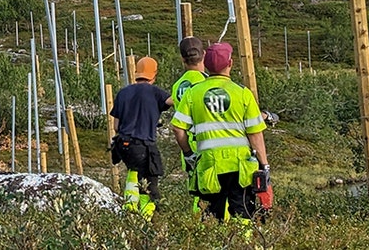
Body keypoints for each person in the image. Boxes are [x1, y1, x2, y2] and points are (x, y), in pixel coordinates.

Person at [170, 42, 270, 227]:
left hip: (209, 165)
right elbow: (255, 134)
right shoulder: (242, 93)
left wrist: (188, 153)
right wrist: (264, 165)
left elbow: (178, 128)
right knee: (242, 212)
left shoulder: (193, 93)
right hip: (240, 166)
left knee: (212, 214)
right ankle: (243, 245)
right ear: (230, 63)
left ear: (206, 63)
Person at [109, 56, 171, 218]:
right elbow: (173, 101)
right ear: (154, 74)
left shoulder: (123, 93)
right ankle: (146, 218)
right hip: (144, 145)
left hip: (123, 145)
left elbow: (116, 126)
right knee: (150, 183)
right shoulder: (155, 92)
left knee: (134, 171)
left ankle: (129, 207)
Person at [172, 36, 208, 213]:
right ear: (204, 55)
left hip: (187, 144)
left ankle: (197, 229)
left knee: (196, 191)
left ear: (182, 58)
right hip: (205, 142)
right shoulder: (205, 83)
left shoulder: (178, 85)